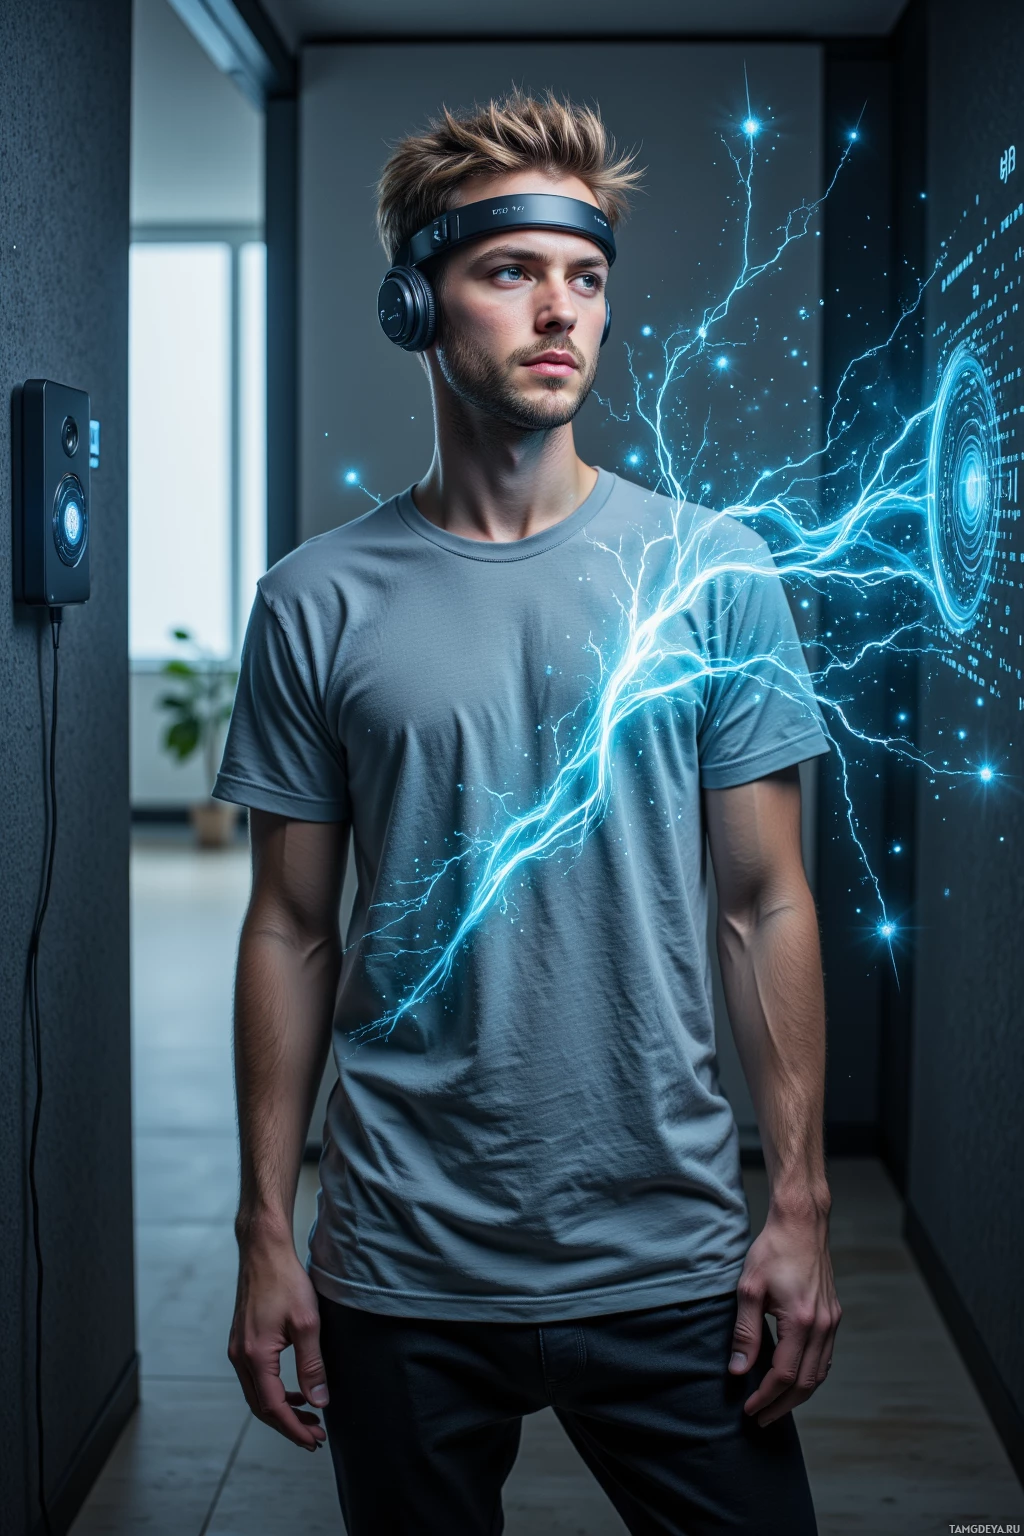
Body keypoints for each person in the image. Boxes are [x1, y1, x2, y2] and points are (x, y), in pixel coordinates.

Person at [214, 90, 841, 1535]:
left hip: (669, 1257)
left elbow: (765, 902)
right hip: (404, 1266)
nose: (562, 311)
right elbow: (291, 928)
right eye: (511, 271)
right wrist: (264, 1231)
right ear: (413, 302)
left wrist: (802, 1206)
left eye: (587, 276)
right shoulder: (314, 601)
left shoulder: (715, 571)